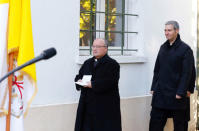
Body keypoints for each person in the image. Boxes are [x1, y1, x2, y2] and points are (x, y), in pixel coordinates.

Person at [149, 20, 196, 131]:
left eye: (169, 30)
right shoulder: (162, 48)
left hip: (177, 95)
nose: (166, 33)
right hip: (160, 93)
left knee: (180, 125)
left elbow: (188, 73)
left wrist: (181, 92)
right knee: (155, 124)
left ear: (177, 31)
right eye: (165, 30)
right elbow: (157, 70)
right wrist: (153, 87)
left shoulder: (185, 49)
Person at [74, 38, 122, 131]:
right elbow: (78, 76)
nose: (94, 49)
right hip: (87, 107)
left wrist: (93, 84)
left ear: (106, 48)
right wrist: (79, 81)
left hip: (104, 108)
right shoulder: (87, 63)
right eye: (93, 46)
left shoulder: (112, 64)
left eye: (98, 46)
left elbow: (110, 82)